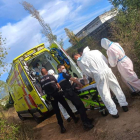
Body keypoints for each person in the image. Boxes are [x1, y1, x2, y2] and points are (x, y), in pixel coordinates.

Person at [77, 46, 128, 118]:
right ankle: (124, 105)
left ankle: (114, 113)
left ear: (80, 53)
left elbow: (87, 72)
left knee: (105, 94)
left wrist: (95, 75)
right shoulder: (96, 51)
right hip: (107, 70)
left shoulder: (83, 59)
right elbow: (105, 60)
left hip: (98, 75)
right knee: (116, 87)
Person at [40, 68, 79, 133]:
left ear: (41, 74)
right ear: (47, 71)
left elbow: (43, 90)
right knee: (66, 106)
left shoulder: (41, 81)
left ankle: (62, 127)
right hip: (57, 94)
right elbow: (58, 85)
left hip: (51, 97)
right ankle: (74, 118)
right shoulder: (51, 77)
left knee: (57, 112)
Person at [57, 64, 94, 130]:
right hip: (70, 93)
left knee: (78, 106)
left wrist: (74, 88)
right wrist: (80, 84)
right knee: (81, 106)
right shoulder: (64, 74)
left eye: (64, 68)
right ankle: (85, 123)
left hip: (67, 94)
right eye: (62, 68)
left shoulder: (58, 77)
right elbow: (73, 79)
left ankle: (87, 120)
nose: (64, 69)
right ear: (59, 69)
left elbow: (63, 86)